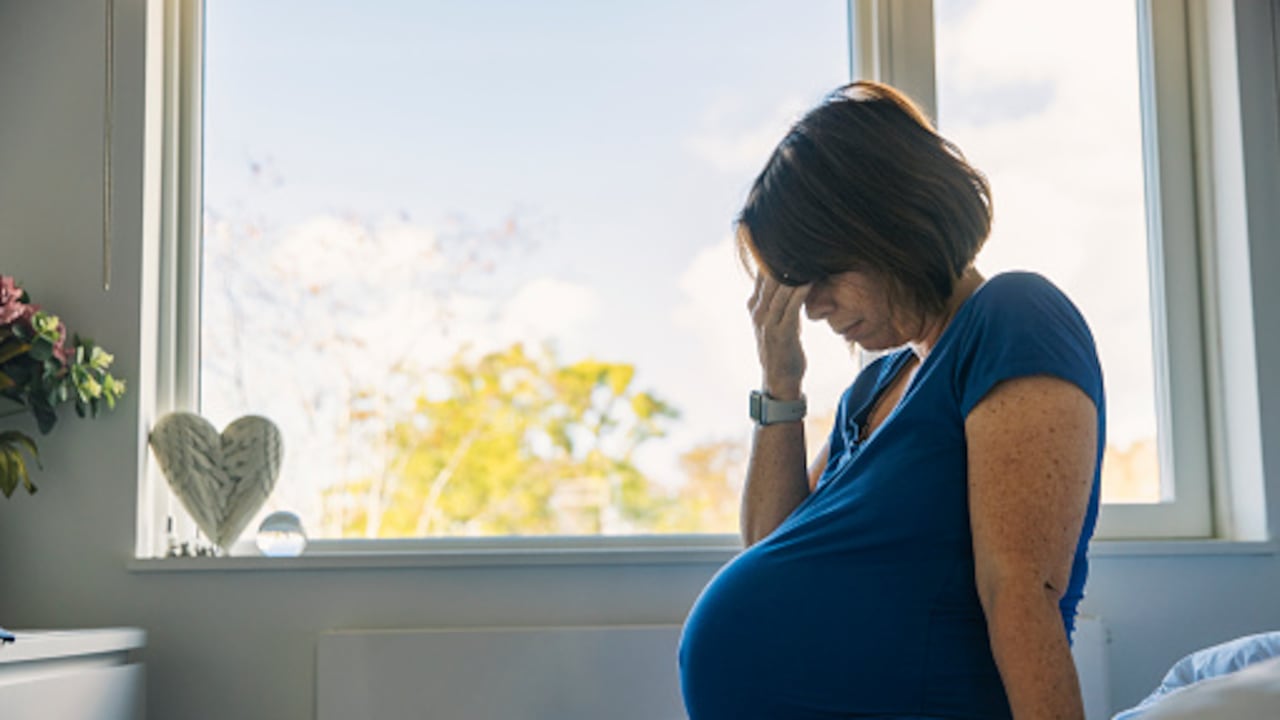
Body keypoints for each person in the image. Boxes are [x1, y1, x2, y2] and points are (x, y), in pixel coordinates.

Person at [678, 81, 1105, 720]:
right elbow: (771, 549)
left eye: (823, 274)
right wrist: (782, 387)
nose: (814, 307)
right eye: (798, 285)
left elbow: (1020, 588)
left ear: (891, 223)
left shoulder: (1013, 317)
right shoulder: (873, 389)